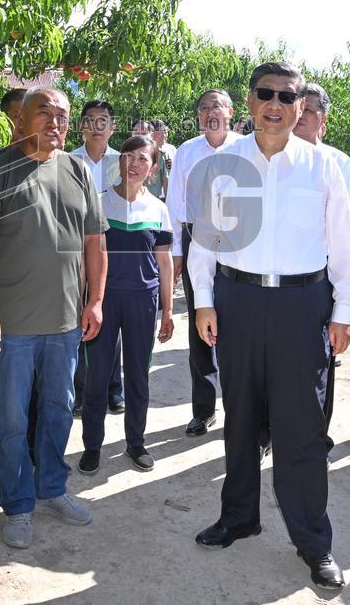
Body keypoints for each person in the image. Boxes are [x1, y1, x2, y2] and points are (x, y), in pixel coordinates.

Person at [188, 62, 350, 590]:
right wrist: (203, 301)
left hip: (301, 304)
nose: (276, 104)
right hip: (236, 299)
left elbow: (344, 247)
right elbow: (203, 241)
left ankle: (314, 542)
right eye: (266, 94)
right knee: (239, 416)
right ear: (250, 99)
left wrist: (342, 311)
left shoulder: (323, 167)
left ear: (301, 106)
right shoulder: (225, 164)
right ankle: (238, 517)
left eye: (287, 97)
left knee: (302, 427)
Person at [0, 87, 108, 549]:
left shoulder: (78, 170)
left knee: (59, 411)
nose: (56, 123)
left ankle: (53, 488)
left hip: (65, 324)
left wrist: (95, 300)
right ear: (20, 120)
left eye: (62, 115)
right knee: (11, 418)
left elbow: (95, 245)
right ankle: (18, 505)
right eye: (45, 113)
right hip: (12, 325)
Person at [79, 134, 175, 475]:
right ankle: (92, 446)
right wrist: (86, 302)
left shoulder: (159, 208)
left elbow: (164, 263)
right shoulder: (100, 202)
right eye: (128, 157)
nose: (133, 164)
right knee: (97, 376)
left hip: (143, 301)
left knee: (137, 376)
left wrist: (167, 311)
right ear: (120, 161)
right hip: (104, 301)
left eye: (142, 160)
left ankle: (136, 443)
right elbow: (84, 257)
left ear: (152, 169)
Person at [166, 90, 244, 436]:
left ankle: (242, 413)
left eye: (217, 106)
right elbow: (176, 201)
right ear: (198, 116)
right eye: (204, 108)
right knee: (201, 325)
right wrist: (176, 250)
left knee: (239, 329)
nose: (211, 111)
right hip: (197, 235)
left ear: (230, 112)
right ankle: (203, 409)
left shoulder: (247, 147)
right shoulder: (187, 151)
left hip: (240, 239)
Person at [293, 82, 350, 445]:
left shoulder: (338, 163)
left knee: (318, 364)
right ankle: (266, 433)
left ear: (324, 119)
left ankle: (317, 432)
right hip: (271, 283)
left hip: (321, 281)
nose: (300, 115)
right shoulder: (264, 157)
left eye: (310, 109)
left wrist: (345, 296)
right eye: (296, 106)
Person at [72, 100, 124, 416]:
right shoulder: (67, 161)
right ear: (81, 126)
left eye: (103, 120)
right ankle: (79, 391)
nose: (96, 126)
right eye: (90, 120)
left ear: (112, 126)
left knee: (109, 318)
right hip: (75, 247)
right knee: (78, 317)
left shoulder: (123, 163)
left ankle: (112, 390)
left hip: (113, 246)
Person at [133, 119, 169, 200]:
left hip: (152, 204)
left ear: (151, 135)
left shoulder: (161, 155)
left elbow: (166, 183)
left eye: (143, 133)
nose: (139, 136)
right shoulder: (123, 156)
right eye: (136, 132)